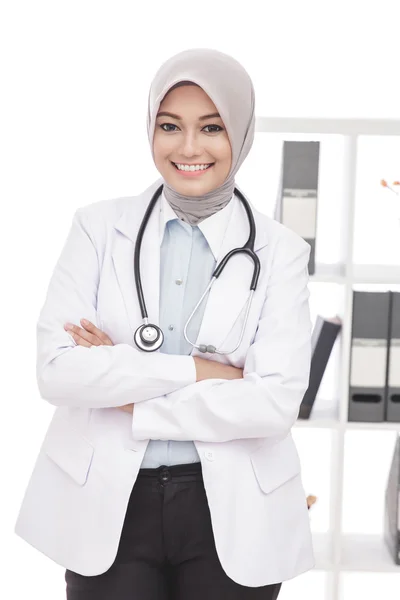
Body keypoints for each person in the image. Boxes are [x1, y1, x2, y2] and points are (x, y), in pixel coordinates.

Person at [14, 48, 315, 599]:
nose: (189, 147)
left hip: (233, 511)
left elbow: (274, 404)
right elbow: (57, 373)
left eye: (212, 127)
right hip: (108, 503)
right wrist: (206, 372)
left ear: (241, 134)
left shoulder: (281, 253)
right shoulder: (98, 228)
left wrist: (127, 387)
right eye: (170, 126)